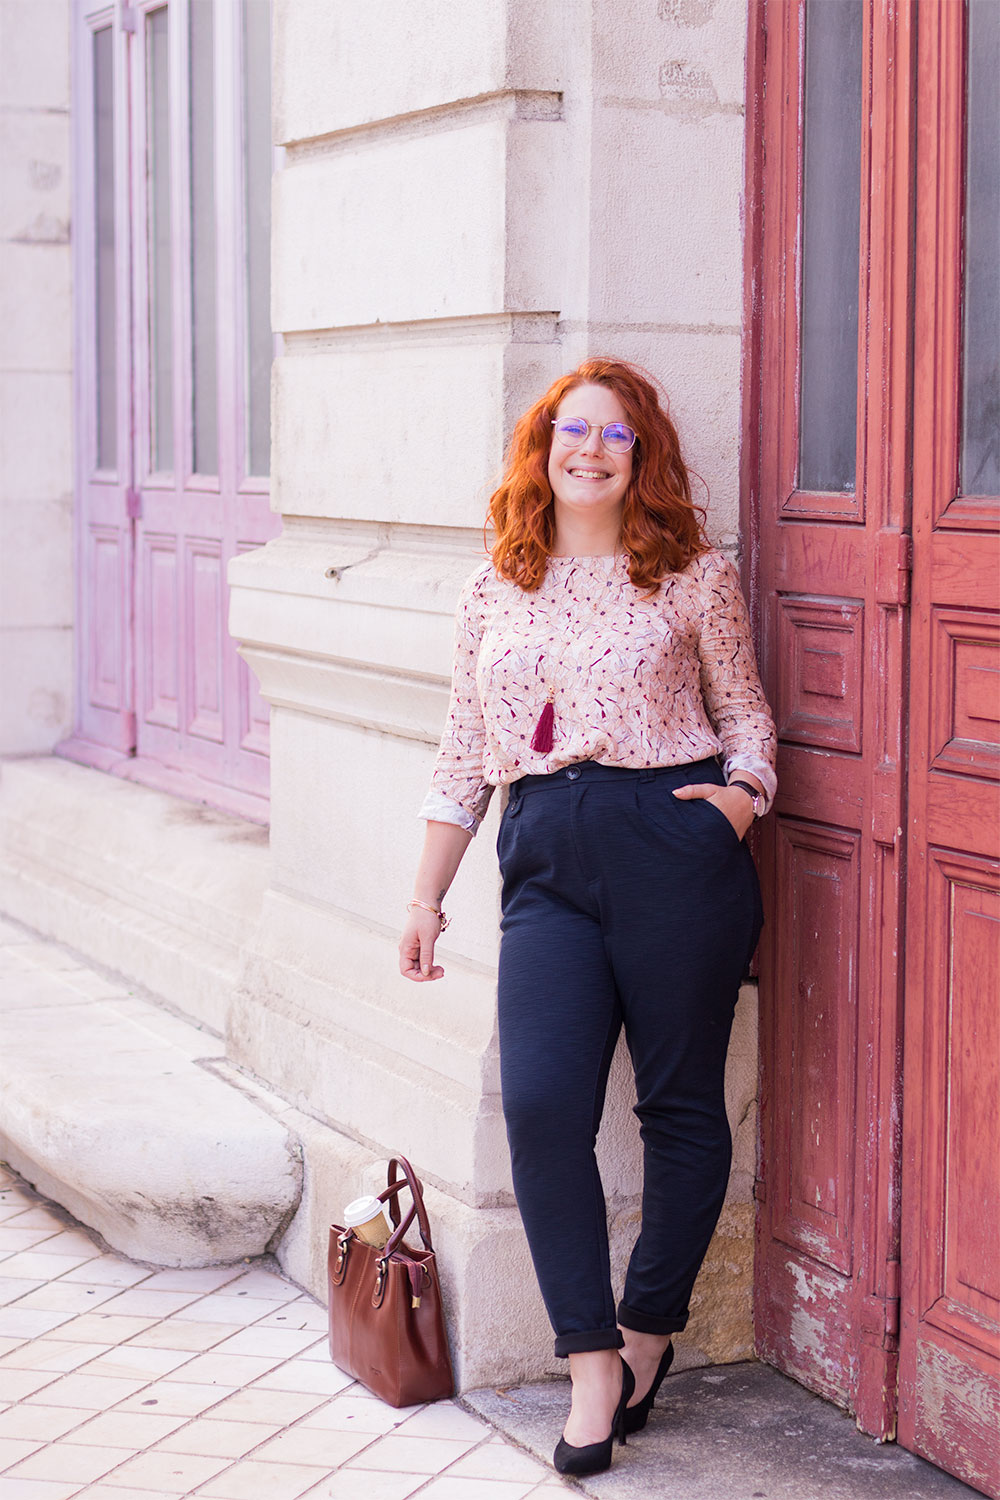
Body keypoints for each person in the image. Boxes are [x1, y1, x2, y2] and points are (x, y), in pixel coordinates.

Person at [399, 358, 776, 1477]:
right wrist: (424, 897)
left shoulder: (693, 578)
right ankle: (592, 1359)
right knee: (543, 1103)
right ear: (543, 449)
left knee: (678, 1105)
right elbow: (463, 754)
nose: (594, 450)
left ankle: (650, 1326)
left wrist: (738, 804)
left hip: (673, 845)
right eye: (575, 431)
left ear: (642, 455)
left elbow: (748, 718)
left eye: (616, 435)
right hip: (546, 860)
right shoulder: (493, 588)